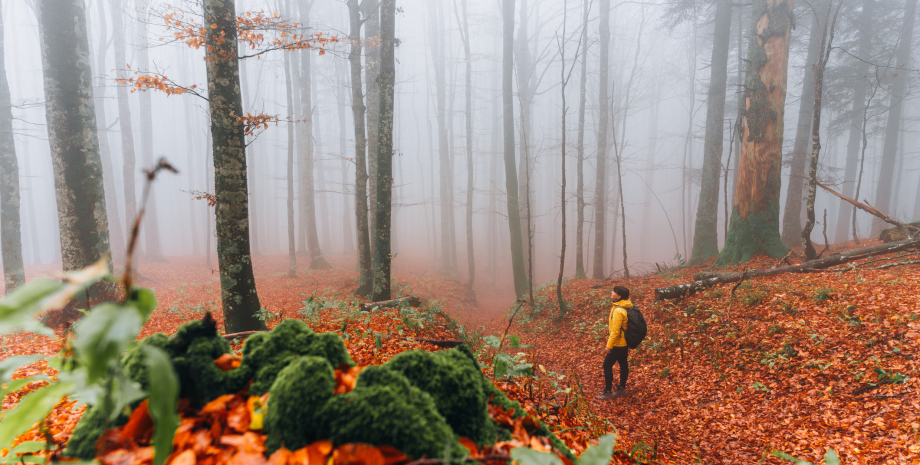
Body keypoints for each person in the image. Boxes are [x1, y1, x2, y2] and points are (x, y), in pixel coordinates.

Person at [595, 286, 632, 400]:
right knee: (623, 364)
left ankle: (607, 392)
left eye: (614, 292)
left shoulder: (618, 310)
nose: (611, 293)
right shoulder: (626, 307)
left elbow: (615, 332)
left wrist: (609, 346)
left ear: (619, 296)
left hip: (617, 344)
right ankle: (621, 388)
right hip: (624, 343)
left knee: (607, 365)